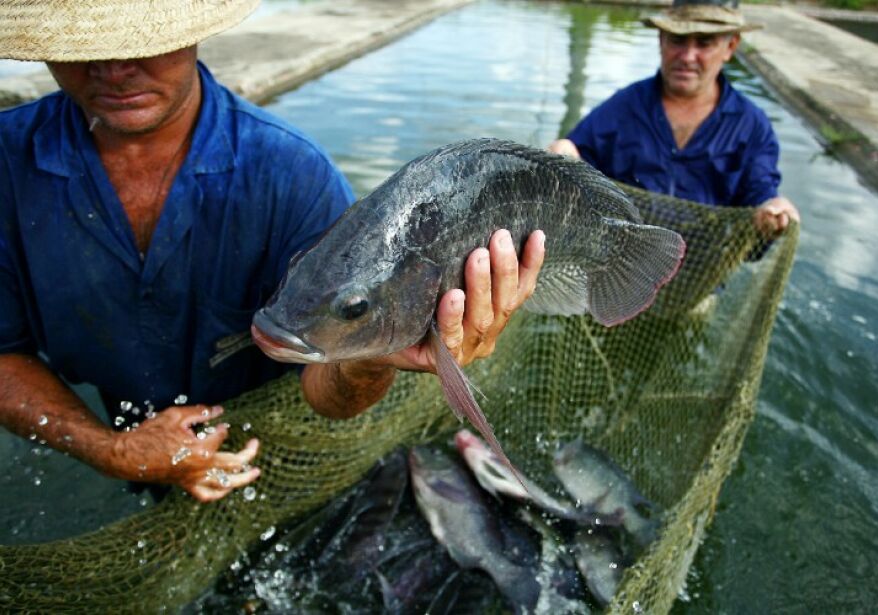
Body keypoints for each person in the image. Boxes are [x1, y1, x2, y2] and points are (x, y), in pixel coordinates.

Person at [0, 0, 544, 502]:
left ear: (195, 31)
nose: (114, 68)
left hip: (271, 451)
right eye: (84, 47)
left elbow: (328, 392)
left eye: (142, 41)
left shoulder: (294, 173)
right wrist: (110, 451)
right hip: (112, 424)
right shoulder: (7, 161)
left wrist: (371, 357)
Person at [549, 0, 800, 237]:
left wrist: (773, 209)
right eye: (678, 40)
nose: (688, 56)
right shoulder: (624, 106)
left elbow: (760, 194)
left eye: (704, 42)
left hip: (703, 271)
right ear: (661, 40)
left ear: (731, 47)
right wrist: (566, 152)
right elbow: (579, 154)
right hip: (620, 266)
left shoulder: (751, 126)